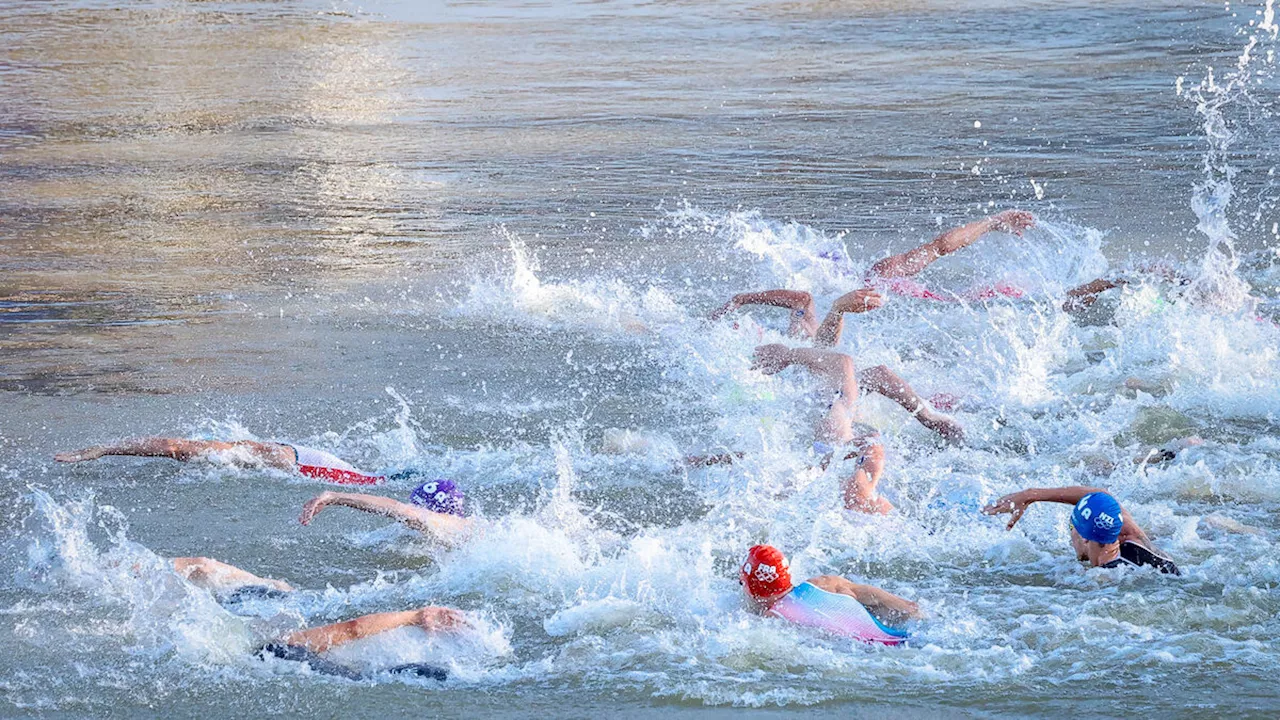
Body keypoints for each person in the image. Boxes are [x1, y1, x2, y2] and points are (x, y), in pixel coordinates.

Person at [171, 556, 466, 680]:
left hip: (264, 641)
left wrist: (414, 616)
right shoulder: (355, 674)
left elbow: (352, 629)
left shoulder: (275, 650)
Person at [750, 344, 893, 513]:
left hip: (826, 457)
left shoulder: (837, 411)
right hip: (826, 466)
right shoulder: (843, 408)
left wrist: (788, 355)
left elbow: (843, 361)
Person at [738, 544, 919, 646]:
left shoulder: (772, 618)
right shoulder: (824, 583)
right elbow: (877, 595)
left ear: (753, 590)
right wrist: (914, 611)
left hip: (868, 656)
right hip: (905, 639)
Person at [981, 487, 1181, 574]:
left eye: (1071, 527)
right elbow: (1101, 496)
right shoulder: (1134, 538)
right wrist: (1030, 495)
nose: (1070, 537)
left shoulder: (1106, 578)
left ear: (1085, 538)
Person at [55, 437, 384, 485]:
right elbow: (174, 447)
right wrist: (104, 450)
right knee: (182, 450)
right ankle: (104, 449)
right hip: (289, 459)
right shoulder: (273, 456)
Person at [299, 479, 475, 548]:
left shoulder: (448, 525)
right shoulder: (465, 526)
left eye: (417, 506)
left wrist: (335, 497)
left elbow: (398, 508)